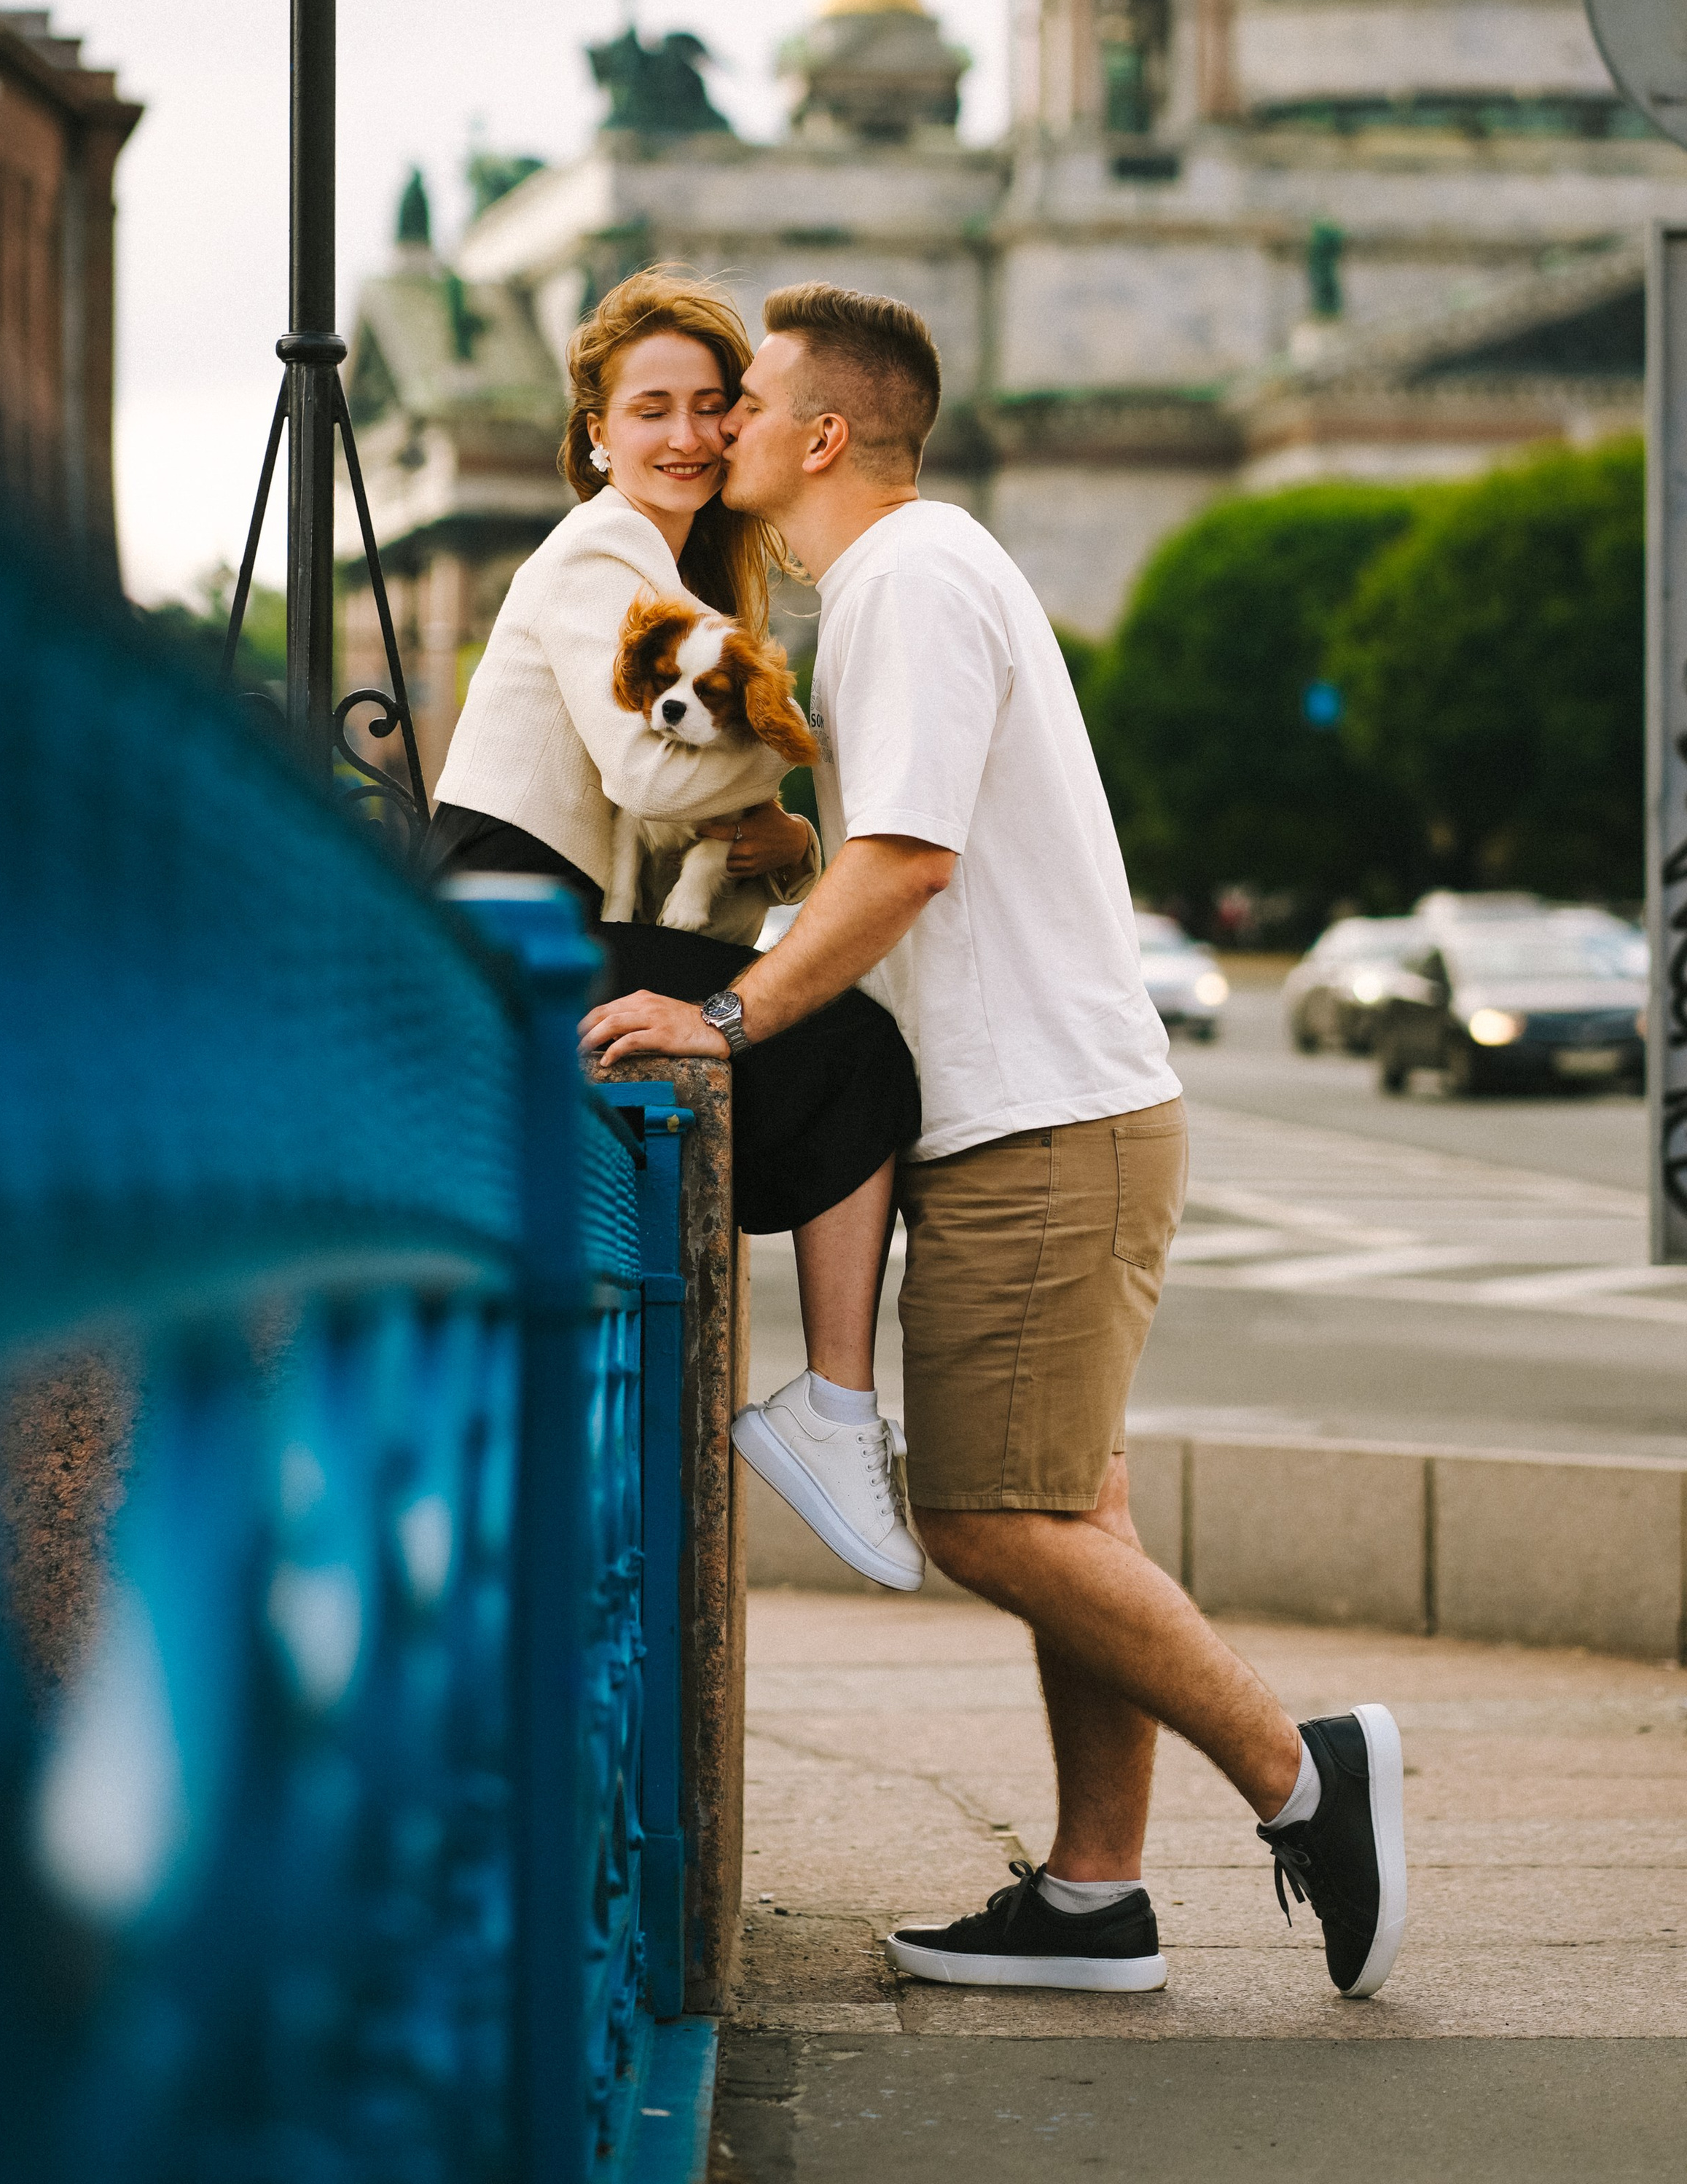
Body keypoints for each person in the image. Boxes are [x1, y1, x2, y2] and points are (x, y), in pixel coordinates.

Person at [580, 283, 1407, 2002]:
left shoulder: (904, 576)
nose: (715, 427)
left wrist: (723, 1019)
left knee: (982, 1516)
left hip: (1041, 1120)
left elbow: (914, 866)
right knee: (1066, 1507)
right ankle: (1094, 1900)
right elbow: (893, 852)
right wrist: (790, 857)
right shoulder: (909, 581)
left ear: (821, 435)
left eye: (748, 404)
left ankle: (1306, 1777)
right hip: (1048, 1107)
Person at [429, 269, 923, 1593]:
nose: (691, 435)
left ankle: (827, 1411)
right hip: (510, 924)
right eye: (653, 410)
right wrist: (814, 783)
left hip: (534, 926)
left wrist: (797, 848)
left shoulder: (669, 567)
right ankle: (830, 1410)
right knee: (851, 1050)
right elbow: (654, 783)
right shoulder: (603, 548)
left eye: (716, 406)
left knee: (800, 1041)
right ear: (595, 431)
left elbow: (681, 841)